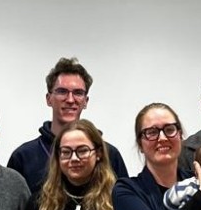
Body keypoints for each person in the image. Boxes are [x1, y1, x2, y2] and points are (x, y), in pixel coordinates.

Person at [7, 57, 128, 192]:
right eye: (62, 92)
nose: (70, 100)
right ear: (48, 99)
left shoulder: (108, 154)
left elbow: (124, 202)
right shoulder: (23, 157)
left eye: (78, 93)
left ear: (86, 101)